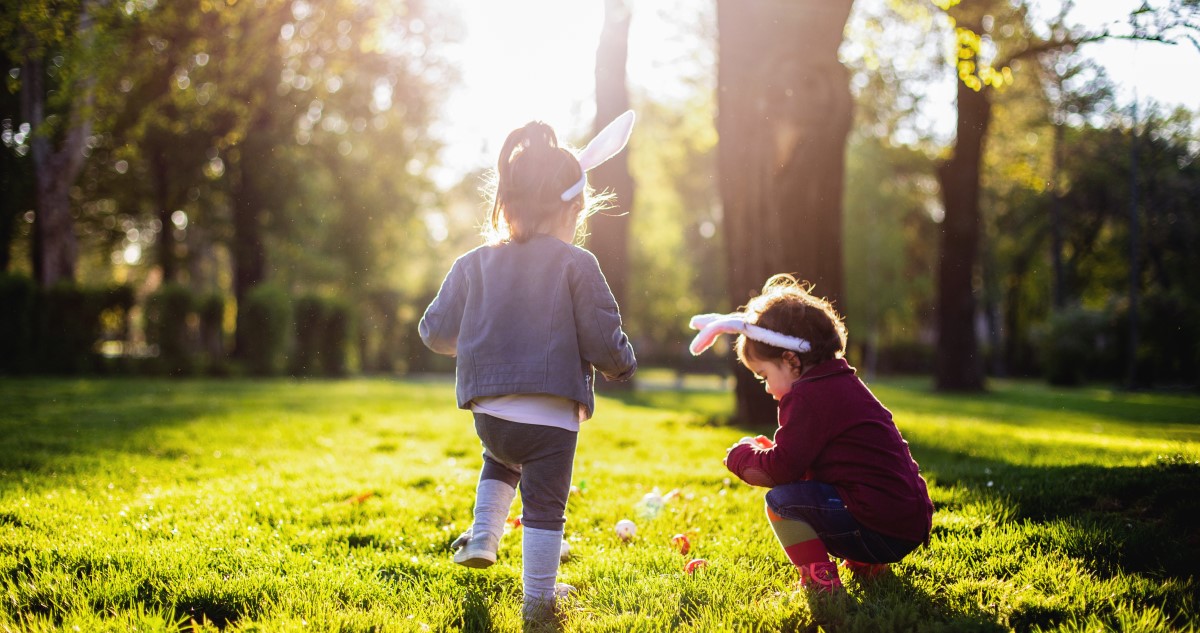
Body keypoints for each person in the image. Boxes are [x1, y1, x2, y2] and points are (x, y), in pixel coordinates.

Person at [419, 118, 637, 623]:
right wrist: (621, 366)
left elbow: (433, 330)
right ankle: (539, 599)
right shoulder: (576, 263)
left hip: (490, 415)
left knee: (499, 460)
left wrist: (471, 345)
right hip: (552, 419)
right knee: (544, 505)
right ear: (573, 207)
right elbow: (603, 337)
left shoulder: (473, 262)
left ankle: (483, 536)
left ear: (508, 202)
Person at [688, 274, 933, 594]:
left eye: (764, 376)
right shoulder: (838, 381)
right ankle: (867, 562)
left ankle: (820, 581)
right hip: (905, 522)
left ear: (790, 360)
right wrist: (776, 453)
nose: (765, 387)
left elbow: (781, 470)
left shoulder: (806, 396)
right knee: (806, 492)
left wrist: (742, 457)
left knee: (781, 503)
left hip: (879, 529)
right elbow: (824, 459)